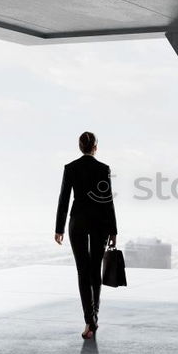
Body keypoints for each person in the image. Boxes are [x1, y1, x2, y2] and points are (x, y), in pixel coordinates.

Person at [54, 131, 118, 339]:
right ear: (95, 147)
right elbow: (107, 199)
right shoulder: (103, 169)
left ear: (80, 147)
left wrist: (59, 228)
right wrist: (113, 230)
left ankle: (89, 321)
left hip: (77, 222)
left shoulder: (71, 168)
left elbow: (64, 199)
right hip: (99, 223)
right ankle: (94, 318)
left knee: (83, 272)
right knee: (95, 270)